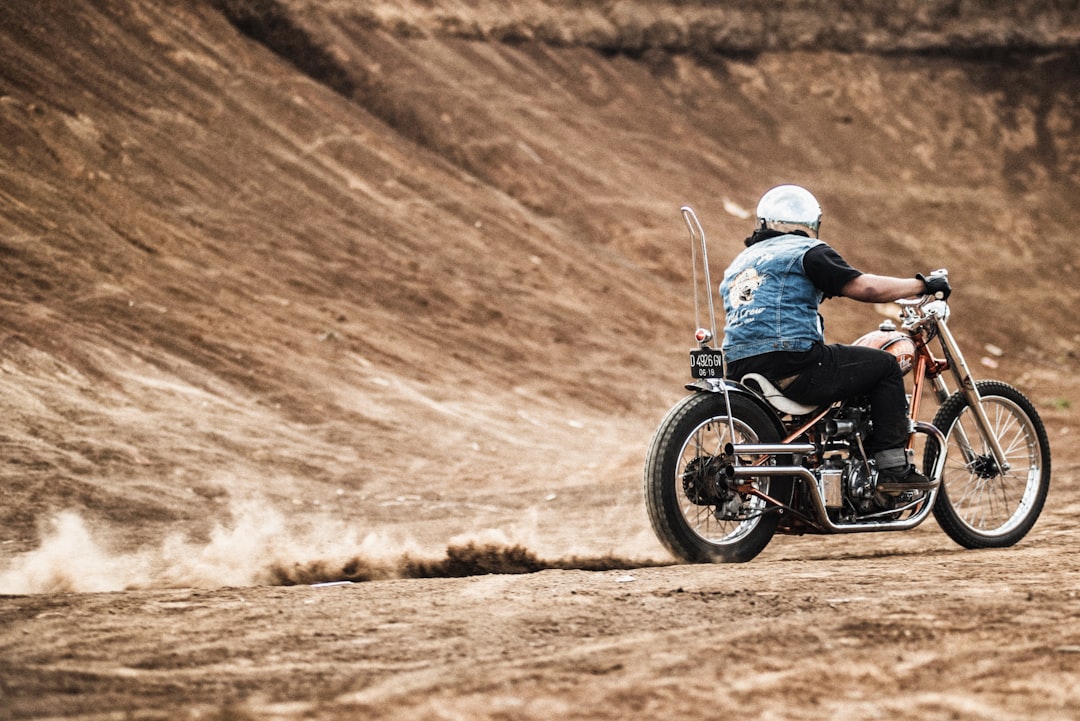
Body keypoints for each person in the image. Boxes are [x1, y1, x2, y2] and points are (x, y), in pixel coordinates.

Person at [719, 184, 951, 492]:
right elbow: (865, 288)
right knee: (884, 366)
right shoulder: (806, 251)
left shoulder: (740, 262)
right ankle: (894, 469)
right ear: (809, 225)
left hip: (737, 366)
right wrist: (922, 285)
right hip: (794, 362)